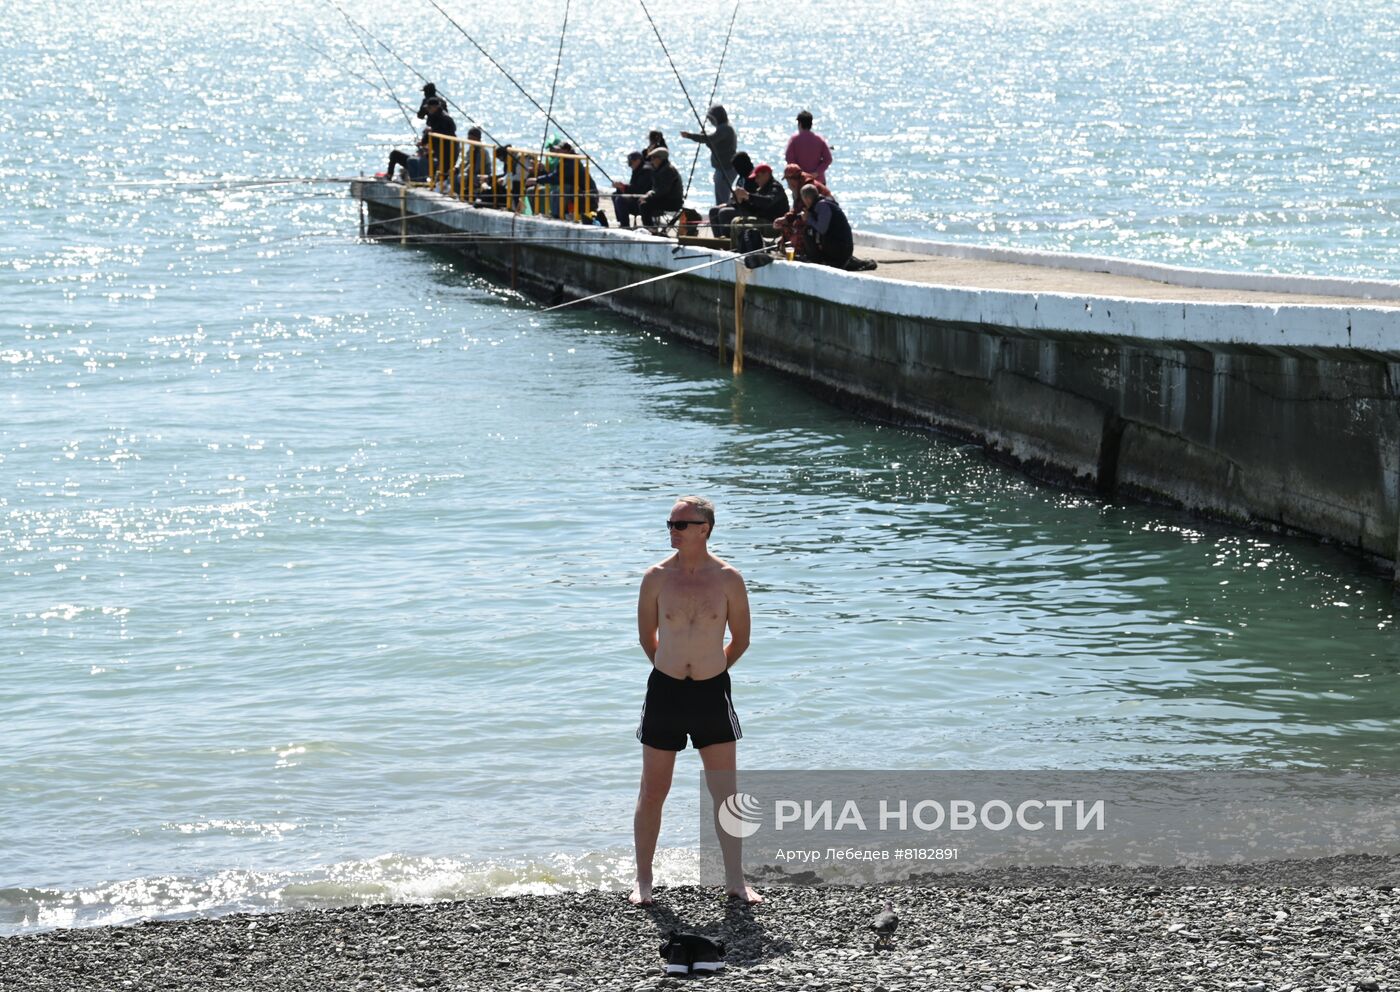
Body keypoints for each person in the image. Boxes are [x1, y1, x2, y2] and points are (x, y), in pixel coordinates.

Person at [633, 495, 759, 907]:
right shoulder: (655, 577)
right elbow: (646, 638)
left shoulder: (728, 578)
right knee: (654, 789)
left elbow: (740, 640)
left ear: (704, 528)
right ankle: (644, 881)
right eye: (669, 523)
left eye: (681, 524)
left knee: (725, 791)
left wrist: (710, 670)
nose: (673, 530)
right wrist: (672, 669)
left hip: (711, 692)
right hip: (665, 691)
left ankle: (736, 880)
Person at [711, 160, 789, 243]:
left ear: (766, 174)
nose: (756, 180)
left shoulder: (776, 188)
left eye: (758, 177)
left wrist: (747, 196)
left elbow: (767, 201)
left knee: (734, 220)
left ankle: (732, 245)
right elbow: (753, 207)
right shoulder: (762, 188)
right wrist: (740, 202)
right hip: (762, 220)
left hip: (773, 224)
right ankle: (724, 243)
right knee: (726, 216)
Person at [679, 105, 738, 207]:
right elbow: (712, 144)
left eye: (712, 118)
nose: (710, 121)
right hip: (721, 169)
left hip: (726, 169)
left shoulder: (725, 128)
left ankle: (725, 218)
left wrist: (690, 136)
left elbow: (710, 139)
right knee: (719, 199)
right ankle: (719, 218)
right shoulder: (722, 129)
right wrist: (704, 136)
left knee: (723, 199)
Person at [800, 183, 853, 269]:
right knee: (809, 229)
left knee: (808, 232)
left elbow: (822, 229)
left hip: (841, 249)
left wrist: (808, 218)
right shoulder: (820, 204)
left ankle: (816, 261)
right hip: (837, 245)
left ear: (807, 199)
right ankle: (817, 259)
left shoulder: (823, 206)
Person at [784, 109, 832, 184]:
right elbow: (828, 159)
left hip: (800, 181)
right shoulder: (819, 139)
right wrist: (816, 172)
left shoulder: (794, 140)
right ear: (811, 124)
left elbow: (789, 159)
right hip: (818, 181)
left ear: (799, 124)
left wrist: (800, 173)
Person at [612, 151, 654, 229]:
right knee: (615, 195)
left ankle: (625, 226)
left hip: (645, 202)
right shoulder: (637, 169)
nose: (629, 166)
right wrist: (620, 188)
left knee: (620, 199)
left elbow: (639, 190)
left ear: (638, 161)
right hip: (637, 198)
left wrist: (623, 187)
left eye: (630, 163)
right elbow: (633, 187)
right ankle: (621, 222)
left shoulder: (646, 170)